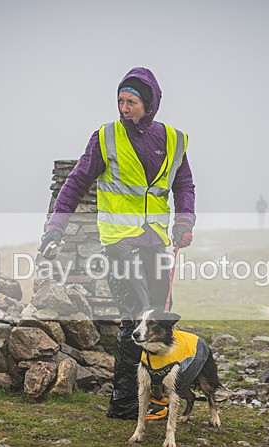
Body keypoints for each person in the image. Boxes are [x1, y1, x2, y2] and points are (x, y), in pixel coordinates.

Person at [39, 67, 196, 420]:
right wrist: (56, 226)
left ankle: (155, 394)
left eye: (132, 102)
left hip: (155, 242)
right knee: (133, 321)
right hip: (119, 244)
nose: (125, 108)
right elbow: (76, 182)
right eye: (120, 101)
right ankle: (124, 404)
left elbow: (184, 186)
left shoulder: (173, 140)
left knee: (160, 320)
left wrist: (184, 221)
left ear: (150, 103)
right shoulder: (105, 137)